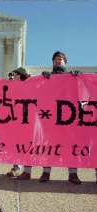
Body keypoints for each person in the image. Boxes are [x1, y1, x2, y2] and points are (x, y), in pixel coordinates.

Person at [39, 51, 81, 184]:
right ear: (52, 61)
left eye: (61, 59)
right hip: (51, 116)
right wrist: (42, 80)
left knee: (71, 145)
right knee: (49, 145)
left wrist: (78, 77)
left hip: (68, 116)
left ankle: (73, 174)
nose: (58, 61)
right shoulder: (47, 77)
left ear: (65, 62)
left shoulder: (72, 76)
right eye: (56, 59)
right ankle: (46, 173)